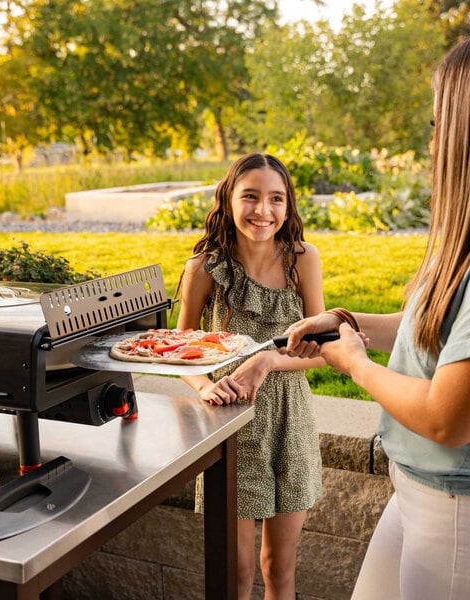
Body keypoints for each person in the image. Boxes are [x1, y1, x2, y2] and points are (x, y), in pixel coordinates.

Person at [283, 38, 470, 600]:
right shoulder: (458, 245)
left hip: (454, 511)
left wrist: (355, 364)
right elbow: (429, 331)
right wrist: (343, 319)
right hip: (414, 489)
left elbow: (447, 419)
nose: (431, 141)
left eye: (439, 124)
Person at [176, 152, 326, 600]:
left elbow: (323, 349)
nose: (264, 211)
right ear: (228, 200)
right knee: (235, 571)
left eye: (276, 199)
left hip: (289, 422)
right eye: (251, 197)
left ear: (288, 205)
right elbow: (182, 346)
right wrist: (205, 385)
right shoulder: (203, 268)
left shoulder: (303, 259)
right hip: (231, 425)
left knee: (279, 567)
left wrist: (271, 361)